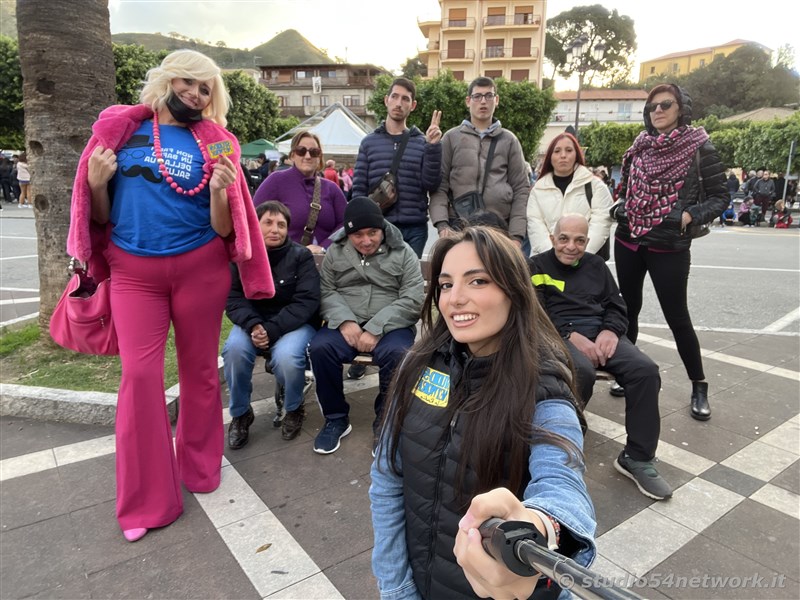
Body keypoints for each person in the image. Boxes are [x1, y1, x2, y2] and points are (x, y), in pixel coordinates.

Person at [66, 49, 274, 543]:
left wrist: (222, 192)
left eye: (206, 89)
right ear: (165, 81)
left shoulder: (218, 144)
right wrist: (96, 182)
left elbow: (225, 229)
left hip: (201, 269)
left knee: (200, 371)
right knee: (139, 377)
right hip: (134, 272)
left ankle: (201, 468)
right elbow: (98, 217)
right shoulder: (119, 132)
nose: (196, 95)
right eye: (188, 82)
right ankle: (144, 500)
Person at [369, 225, 595, 599]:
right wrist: (396, 586)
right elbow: (387, 478)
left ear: (514, 291)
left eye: (477, 282)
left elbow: (562, 482)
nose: (454, 298)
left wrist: (539, 532)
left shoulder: (544, 385)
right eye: (444, 285)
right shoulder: (417, 364)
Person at [530, 214, 672, 500]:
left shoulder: (596, 265)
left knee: (645, 371)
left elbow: (617, 305)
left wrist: (610, 331)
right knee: (579, 370)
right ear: (552, 238)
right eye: (564, 238)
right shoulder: (535, 265)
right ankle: (565, 439)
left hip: (601, 333)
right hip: (558, 335)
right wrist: (569, 335)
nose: (571, 246)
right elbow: (534, 312)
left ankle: (637, 457)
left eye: (580, 240)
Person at [611, 83, 727, 421]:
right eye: (652, 107)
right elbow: (627, 188)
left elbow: (720, 197)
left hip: (670, 245)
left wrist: (688, 216)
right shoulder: (639, 147)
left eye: (665, 104)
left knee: (677, 317)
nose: (657, 111)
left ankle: (699, 383)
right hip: (629, 239)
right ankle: (626, 371)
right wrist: (622, 208)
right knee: (627, 310)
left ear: (681, 109)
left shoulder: (699, 146)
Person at [309, 196, 424, 455]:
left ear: (382, 228)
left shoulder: (403, 252)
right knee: (320, 348)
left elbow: (412, 298)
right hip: (345, 320)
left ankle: (385, 421)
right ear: (348, 234)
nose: (366, 241)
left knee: (397, 354)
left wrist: (377, 327)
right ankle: (336, 418)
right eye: (358, 235)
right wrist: (345, 321)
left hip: (391, 322)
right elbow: (326, 290)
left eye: (373, 232)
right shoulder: (336, 251)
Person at [223, 201, 320, 448]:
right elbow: (233, 299)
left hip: (294, 324)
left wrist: (272, 329)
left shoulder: (301, 256)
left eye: (281, 224)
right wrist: (254, 325)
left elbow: (306, 302)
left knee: (287, 357)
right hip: (252, 324)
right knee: (234, 351)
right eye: (268, 222)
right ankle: (241, 413)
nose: (275, 229)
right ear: (256, 225)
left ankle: (294, 407)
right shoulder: (241, 256)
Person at [429, 76, 530, 246]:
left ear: (496, 100)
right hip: (458, 225)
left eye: (489, 96)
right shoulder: (451, 138)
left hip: (499, 227)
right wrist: (442, 225)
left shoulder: (509, 140)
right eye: (477, 96)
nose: (483, 101)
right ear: (468, 101)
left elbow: (521, 188)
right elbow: (440, 185)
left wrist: (516, 236)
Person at [351, 77, 442, 258]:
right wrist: (362, 228)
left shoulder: (422, 142)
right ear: (387, 100)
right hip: (379, 227)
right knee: (379, 282)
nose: (399, 103)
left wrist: (433, 147)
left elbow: (431, 184)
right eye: (395, 97)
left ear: (413, 105)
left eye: (405, 99)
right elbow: (358, 189)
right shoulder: (369, 143)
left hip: (414, 229)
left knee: (408, 282)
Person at [253, 131, 347, 255]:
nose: (308, 156)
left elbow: (346, 223)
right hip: (285, 263)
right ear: (292, 155)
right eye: (301, 151)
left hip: (324, 264)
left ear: (319, 157)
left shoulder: (332, 188)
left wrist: (325, 247)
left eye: (314, 152)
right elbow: (253, 218)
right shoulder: (276, 181)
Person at [527, 132, 613, 258]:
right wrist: (554, 256)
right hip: (547, 261)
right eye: (557, 151)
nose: (563, 155)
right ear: (550, 157)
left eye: (568, 150)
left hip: (585, 261)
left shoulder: (595, 186)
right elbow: (535, 226)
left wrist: (578, 253)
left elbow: (601, 223)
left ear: (576, 154)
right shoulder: (538, 190)